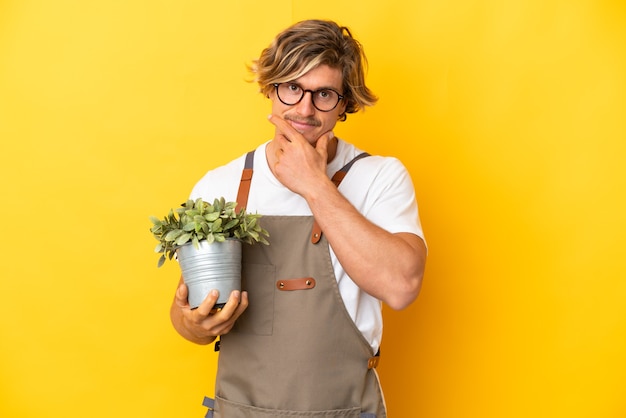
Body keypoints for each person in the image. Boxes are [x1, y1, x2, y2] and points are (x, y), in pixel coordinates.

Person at [169, 19, 427, 418]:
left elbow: (401, 286)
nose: (304, 109)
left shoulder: (379, 177)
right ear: (270, 89)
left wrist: (315, 185)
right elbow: (186, 311)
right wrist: (195, 325)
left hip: (345, 410)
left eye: (324, 94)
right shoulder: (220, 184)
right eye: (292, 88)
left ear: (345, 104)